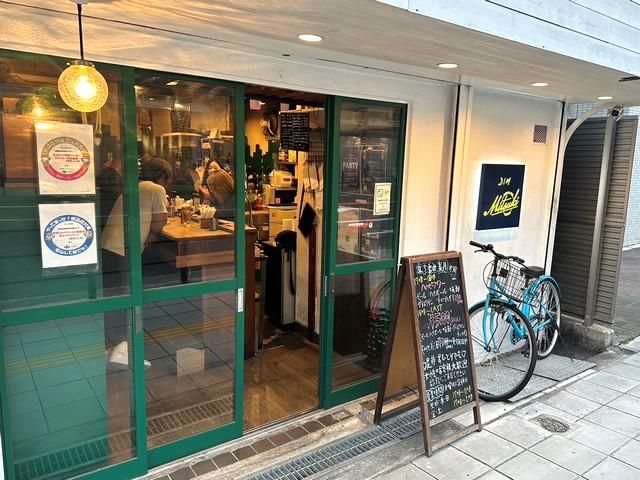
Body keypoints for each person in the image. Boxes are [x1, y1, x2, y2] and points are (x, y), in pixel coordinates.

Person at [101, 155, 171, 367]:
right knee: (126, 297)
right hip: (124, 248)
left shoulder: (134, 187)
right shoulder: (156, 189)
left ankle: (112, 346)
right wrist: (153, 233)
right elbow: (159, 223)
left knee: (115, 298)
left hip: (109, 246)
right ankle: (121, 351)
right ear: (162, 176)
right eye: (167, 179)